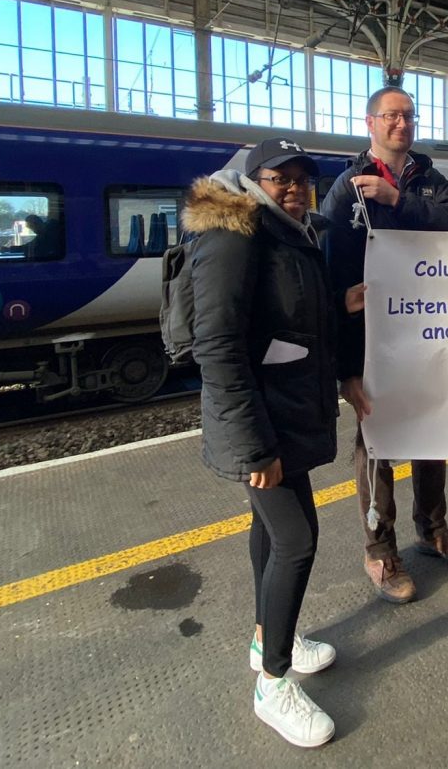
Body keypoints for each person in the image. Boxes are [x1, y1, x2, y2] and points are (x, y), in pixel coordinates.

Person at [183, 137, 341, 748]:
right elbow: (217, 347)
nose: (296, 187)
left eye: (304, 178)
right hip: (260, 425)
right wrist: (255, 449)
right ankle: (273, 684)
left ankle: (266, 637)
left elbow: (288, 318)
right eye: (281, 177)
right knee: (298, 542)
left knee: (270, 535)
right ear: (252, 183)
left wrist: (341, 303)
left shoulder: (289, 236)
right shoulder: (234, 238)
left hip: (288, 415)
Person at [321, 85, 448, 604]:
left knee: (433, 431)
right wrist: (345, 368)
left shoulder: (429, 181)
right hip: (372, 344)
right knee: (378, 445)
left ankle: (433, 531)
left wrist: (399, 201)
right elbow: (333, 276)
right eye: (391, 116)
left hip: (428, 335)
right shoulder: (346, 189)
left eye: (409, 116)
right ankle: (380, 550)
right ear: (370, 123)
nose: (402, 124)